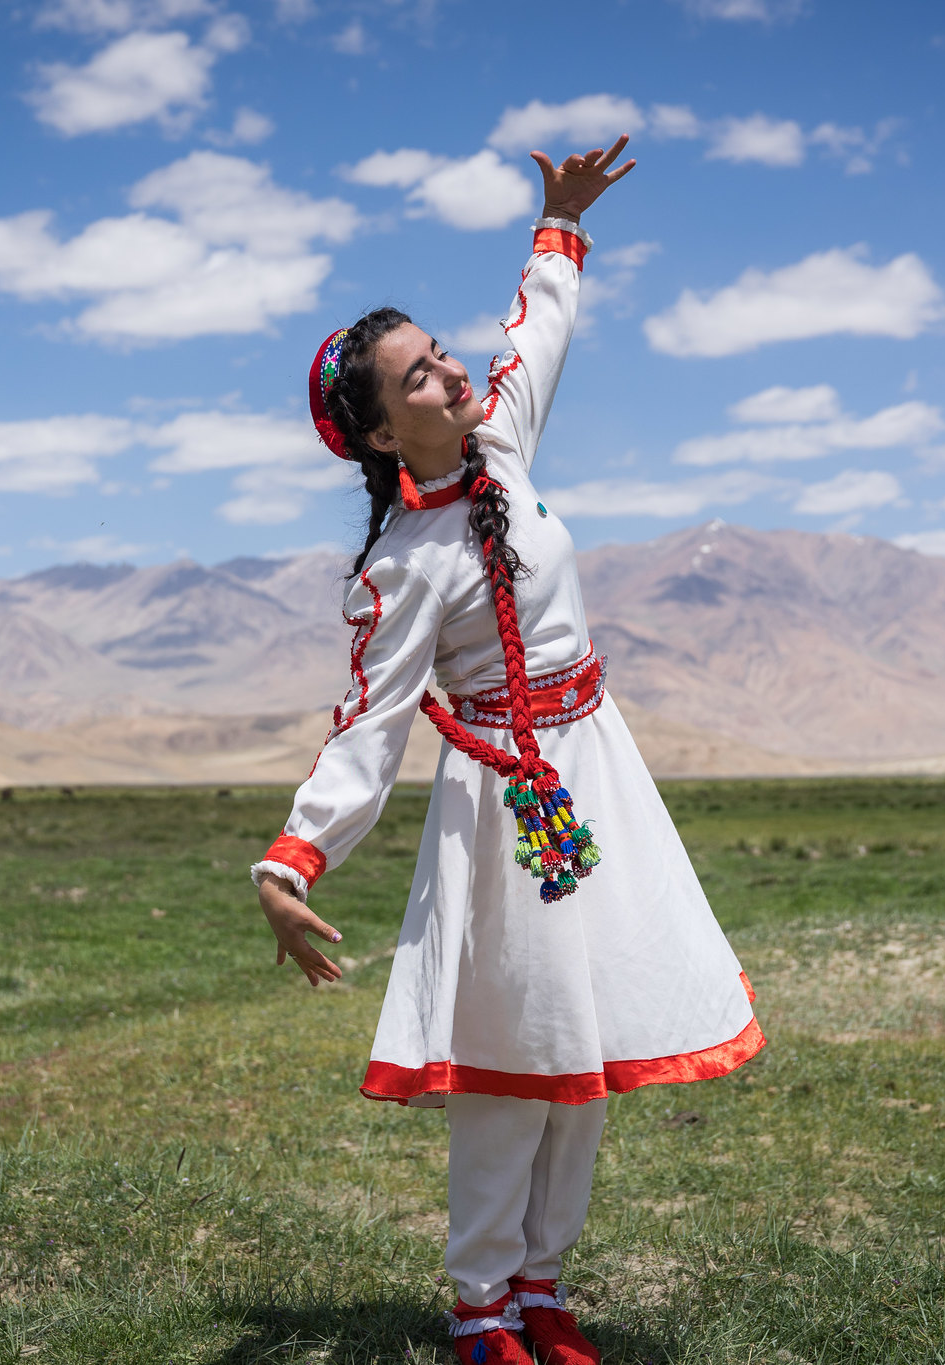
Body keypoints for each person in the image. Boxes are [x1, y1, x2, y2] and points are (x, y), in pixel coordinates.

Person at [250, 135, 763, 1365]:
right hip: (499, 813)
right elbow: (368, 727)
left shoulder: (502, 447)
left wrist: (558, 226)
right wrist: (294, 861)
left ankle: (543, 1283)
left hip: (599, 780)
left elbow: (536, 334)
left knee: (584, 1049)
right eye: (418, 380)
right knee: (510, 1061)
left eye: (438, 356)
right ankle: (480, 1301)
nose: (448, 376)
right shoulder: (399, 568)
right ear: (380, 435)